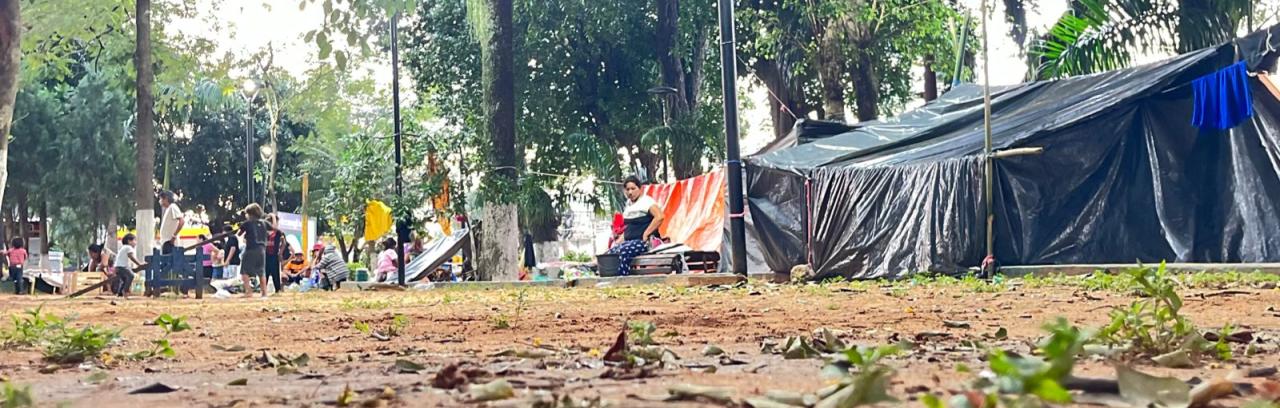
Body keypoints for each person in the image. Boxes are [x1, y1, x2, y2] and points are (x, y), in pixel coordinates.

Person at [604, 176, 664, 276]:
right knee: (610, 254)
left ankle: (622, 279)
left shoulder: (647, 201)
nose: (630, 192)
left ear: (640, 189)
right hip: (629, 241)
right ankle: (610, 279)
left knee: (622, 252)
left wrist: (646, 234)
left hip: (644, 242)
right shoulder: (629, 206)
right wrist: (618, 241)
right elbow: (630, 228)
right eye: (627, 189)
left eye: (633, 188)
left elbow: (660, 217)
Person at [238, 203, 270, 298]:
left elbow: (239, 234)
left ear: (250, 214)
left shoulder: (247, 223)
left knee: (244, 271)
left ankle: (249, 292)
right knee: (261, 271)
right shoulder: (264, 223)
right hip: (262, 249)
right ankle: (264, 293)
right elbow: (273, 229)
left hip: (251, 248)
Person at [263, 214, 290, 293]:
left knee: (275, 273)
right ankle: (264, 290)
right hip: (266, 254)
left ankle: (277, 289)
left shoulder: (278, 232)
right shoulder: (264, 231)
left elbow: (284, 243)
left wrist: (280, 252)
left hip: (274, 254)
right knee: (266, 272)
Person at [114, 234, 142, 298]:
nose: (136, 243)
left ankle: (119, 293)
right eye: (135, 240)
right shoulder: (128, 247)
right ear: (129, 241)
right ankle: (125, 291)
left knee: (124, 280)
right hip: (121, 267)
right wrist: (139, 264)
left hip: (117, 267)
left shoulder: (124, 247)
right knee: (131, 276)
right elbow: (131, 257)